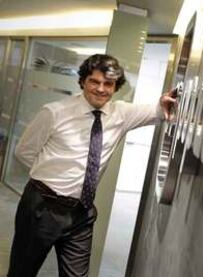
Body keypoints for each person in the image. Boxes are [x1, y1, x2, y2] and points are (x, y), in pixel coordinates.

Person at [7, 54, 176, 277]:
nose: (101, 89)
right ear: (83, 82)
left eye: (108, 84)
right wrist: (50, 176)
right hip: (43, 208)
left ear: (116, 87)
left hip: (82, 213)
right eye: (94, 81)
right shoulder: (54, 112)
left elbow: (157, 111)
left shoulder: (121, 114)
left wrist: (165, 102)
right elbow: (24, 151)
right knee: (22, 271)